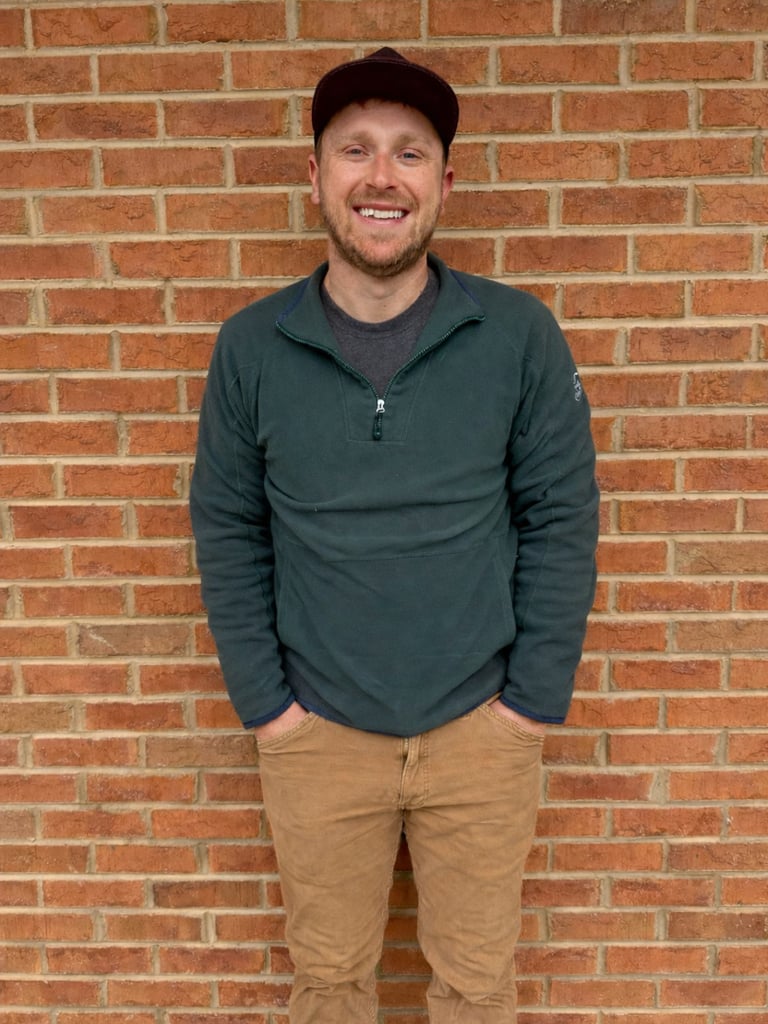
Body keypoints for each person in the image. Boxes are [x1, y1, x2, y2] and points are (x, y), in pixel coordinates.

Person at [190, 47, 599, 1024]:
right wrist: (270, 710)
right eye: (356, 150)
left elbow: (561, 516)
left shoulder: (518, 336)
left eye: (410, 153)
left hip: (480, 732)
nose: (382, 176)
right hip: (318, 736)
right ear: (315, 175)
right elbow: (228, 526)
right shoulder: (253, 346)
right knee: (329, 987)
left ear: (444, 183)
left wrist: (528, 707)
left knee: (476, 990)